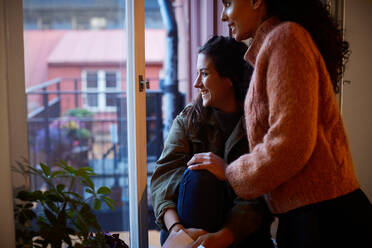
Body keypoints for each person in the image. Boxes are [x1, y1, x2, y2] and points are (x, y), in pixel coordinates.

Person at [220, 0, 372, 247]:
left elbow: (290, 145)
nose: (223, 17)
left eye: (227, 3)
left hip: (326, 222)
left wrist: (230, 173)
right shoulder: (277, 43)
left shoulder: (286, 38)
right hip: (311, 218)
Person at [150, 36, 274, 248]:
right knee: (200, 174)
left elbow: (259, 195)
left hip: (240, 232)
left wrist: (228, 173)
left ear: (230, 79)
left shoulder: (259, 124)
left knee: (211, 174)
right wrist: (176, 230)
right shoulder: (189, 119)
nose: (197, 83)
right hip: (185, 227)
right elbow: (164, 177)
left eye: (205, 74)